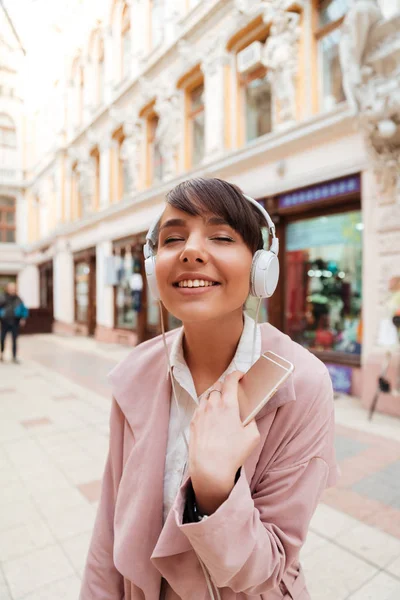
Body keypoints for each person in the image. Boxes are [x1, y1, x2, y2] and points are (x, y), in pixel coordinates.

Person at [80, 178, 338, 600]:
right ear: (153, 266)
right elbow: (109, 531)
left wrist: (216, 493)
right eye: (173, 238)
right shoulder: (134, 374)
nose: (190, 251)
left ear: (261, 268)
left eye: (220, 236)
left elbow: (268, 571)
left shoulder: (302, 382)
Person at [0, 282, 27, 364]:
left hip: (15, 322)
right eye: (11, 288)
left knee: (14, 340)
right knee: (2, 339)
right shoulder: (2, 297)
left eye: (14, 288)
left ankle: (14, 356)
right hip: (5, 321)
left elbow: (24, 309)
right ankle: (2, 354)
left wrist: (23, 318)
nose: (12, 290)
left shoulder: (18, 299)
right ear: (7, 289)